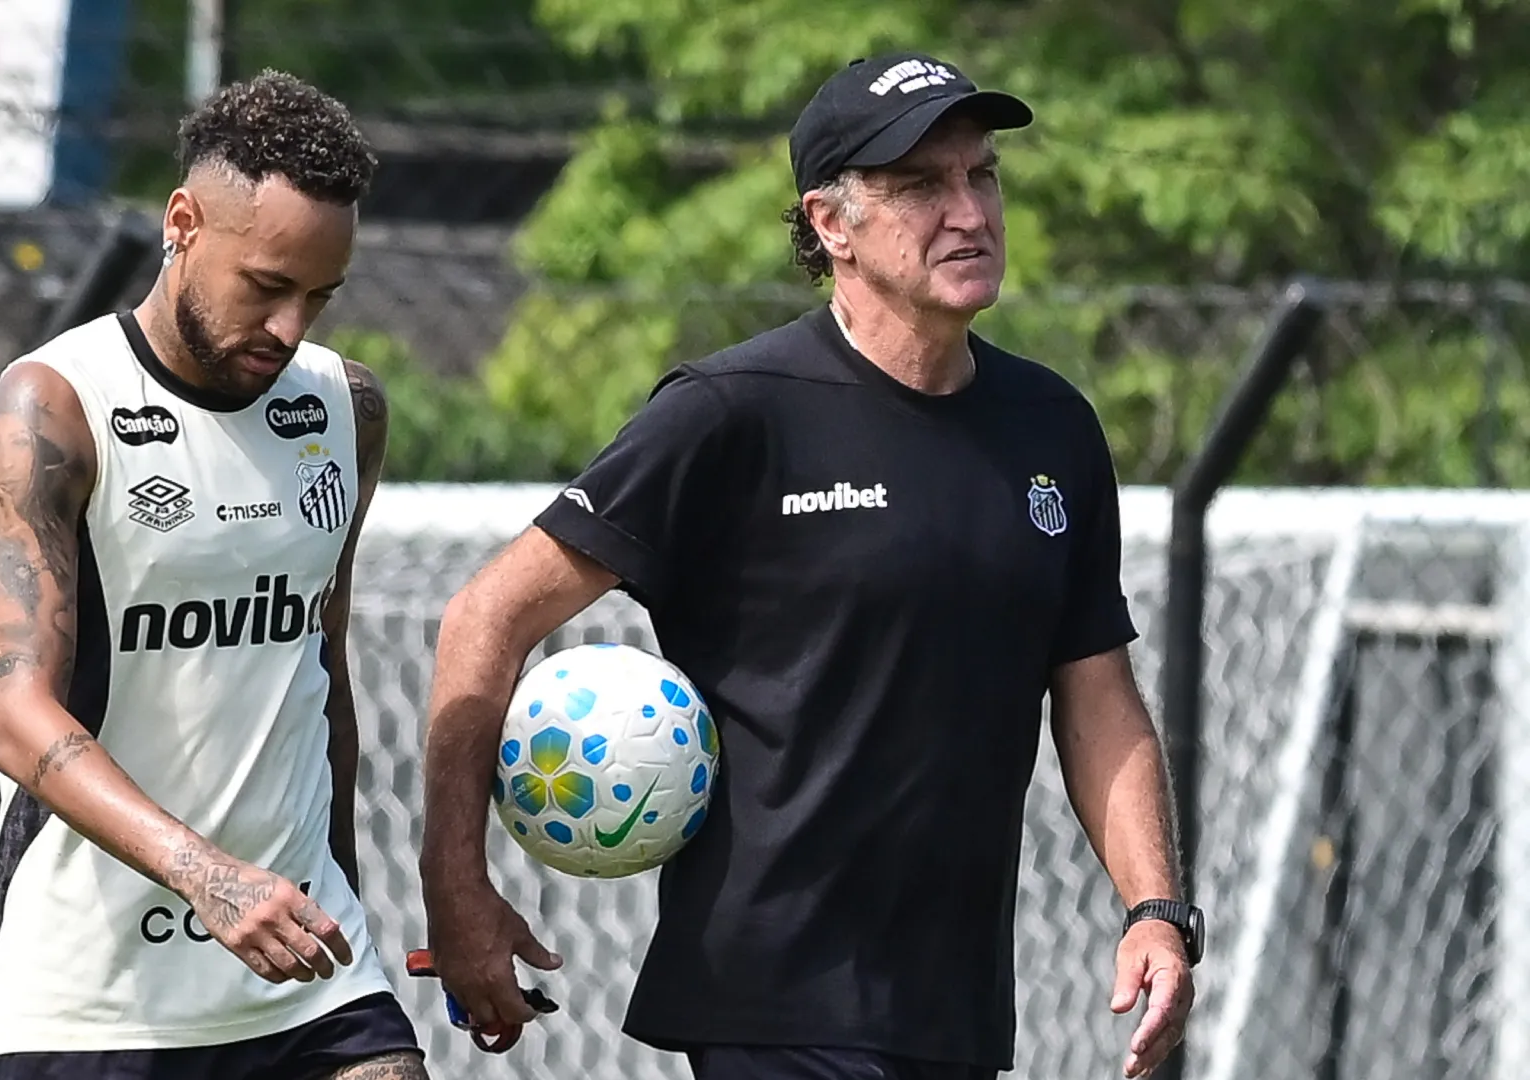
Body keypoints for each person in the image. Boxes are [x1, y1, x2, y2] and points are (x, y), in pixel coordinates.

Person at [417, 50, 1203, 1080]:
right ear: (830, 224)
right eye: (921, 185)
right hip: (772, 1000)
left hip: (952, 1011)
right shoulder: (730, 414)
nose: (967, 210)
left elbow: (1096, 693)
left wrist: (1155, 910)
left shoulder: (1051, 427)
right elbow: (488, 613)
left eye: (982, 175)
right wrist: (456, 885)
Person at [0, 70, 427, 1080]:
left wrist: (343, 891)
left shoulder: (346, 408)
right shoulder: (54, 405)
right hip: (94, 1000)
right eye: (266, 286)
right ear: (184, 221)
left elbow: (322, 673)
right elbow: (18, 717)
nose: (290, 328)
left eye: (320, 296)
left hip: (303, 970)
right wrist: (206, 878)